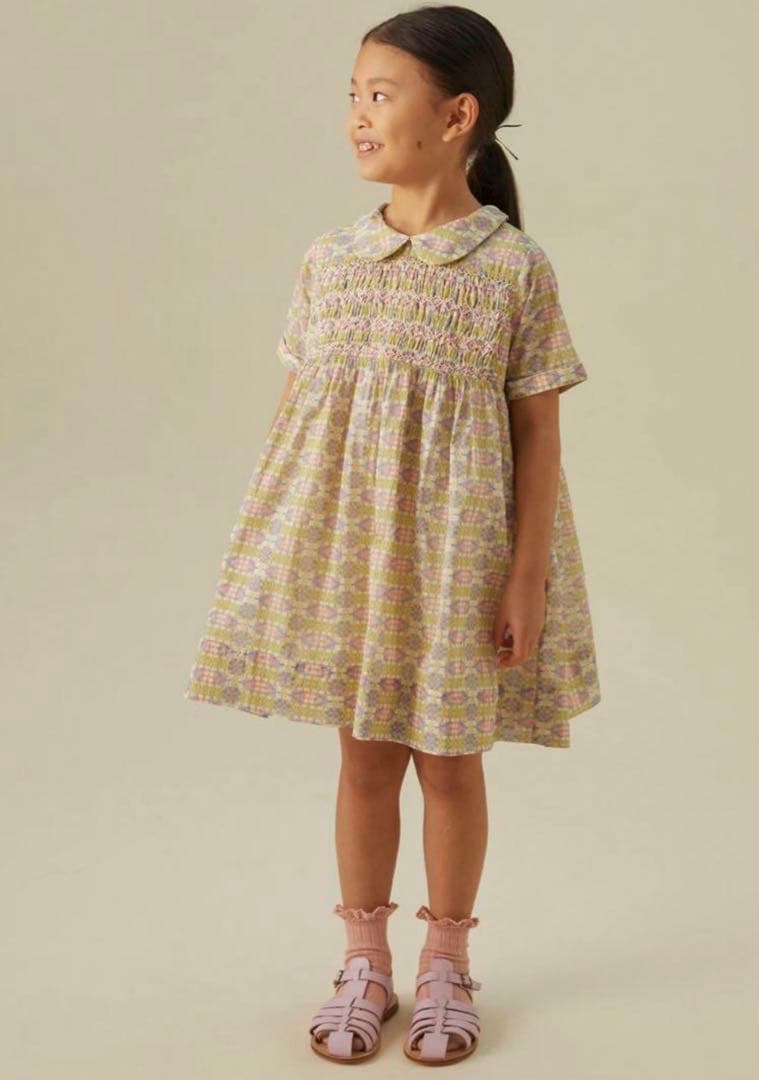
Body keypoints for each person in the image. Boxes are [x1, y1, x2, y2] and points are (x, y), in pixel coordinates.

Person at [184, 4, 601, 1066]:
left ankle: (446, 964)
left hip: (458, 561)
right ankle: (363, 962)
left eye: (380, 94)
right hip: (350, 558)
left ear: (456, 116)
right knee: (363, 760)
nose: (357, 116)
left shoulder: (511, 268)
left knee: (449, 764)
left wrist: (524, 580)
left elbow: (538, 436)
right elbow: (299, 423)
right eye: (353, 95)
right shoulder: (331, 260)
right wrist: (279, 552)